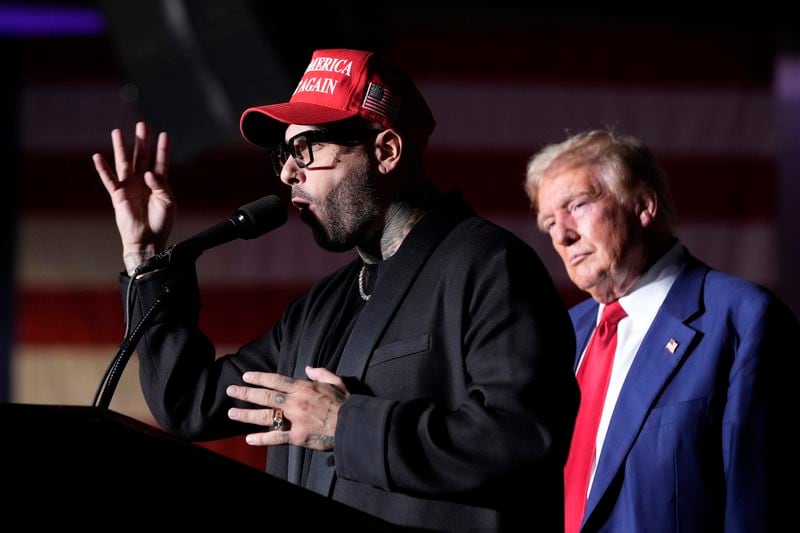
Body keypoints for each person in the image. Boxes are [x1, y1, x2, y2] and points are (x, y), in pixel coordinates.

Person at [92, 48, 579, 531]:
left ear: (385, 152)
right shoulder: (320, 307)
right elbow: (189, 404)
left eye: (307, 149)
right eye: (283, 155)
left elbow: (521, 439)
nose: (287, 173)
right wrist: (145, 252)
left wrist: (345, 426)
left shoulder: (489, 266)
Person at [524, 129, 799, 532]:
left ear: (643, 205)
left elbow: (757, 507)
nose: (562, 236)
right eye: (549, 223)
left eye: (577, 206)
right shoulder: (562, 334)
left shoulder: (744, 320)